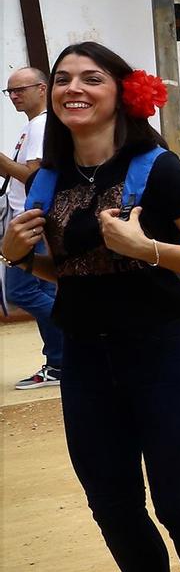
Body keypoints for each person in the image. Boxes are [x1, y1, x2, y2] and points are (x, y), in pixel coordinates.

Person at [0, 42, 180, 572]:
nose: (73, 88)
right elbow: (67, 271)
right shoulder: (47, 179)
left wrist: (150, 246)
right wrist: (18, 255)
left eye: (90, 78)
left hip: (166, 350)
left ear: (120, 92)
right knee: (109, 498)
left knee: (175, 493)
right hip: (86, 357)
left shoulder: (159, 170)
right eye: (62, 80)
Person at [3, 65, 62, 389]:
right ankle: (59, 362)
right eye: (9, 91)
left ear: (42, 89)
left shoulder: (41, 127)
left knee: (21, 290)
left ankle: (75, 330)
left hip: (30, 222)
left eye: (20, 89)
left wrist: (3, 164)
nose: (14, 96)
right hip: (27, 220)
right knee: (43, 290)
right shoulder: (34, 127)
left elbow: (37, 179)